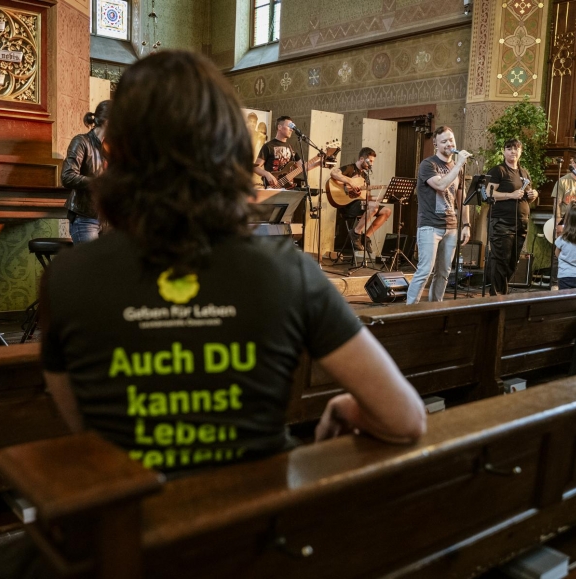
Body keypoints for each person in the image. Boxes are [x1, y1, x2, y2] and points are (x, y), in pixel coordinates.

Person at [39, 51, 426, 477]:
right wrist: (346, 403)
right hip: (258, 527)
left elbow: (84, 425)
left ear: (117, 148)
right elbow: (404, 419)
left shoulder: (68, 278)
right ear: (231, 146)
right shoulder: (289, 271)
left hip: (129, 528)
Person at [405, 126, 471, 304]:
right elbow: (441, 185)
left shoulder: (457, 168)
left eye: (451, 140)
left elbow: (461, 198)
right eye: (444, 141)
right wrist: (458, 164)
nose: (449, 144)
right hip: (430, 226)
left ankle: (435, 309)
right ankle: (408, 311)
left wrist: (466, 224)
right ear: (436, 144)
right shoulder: (428, 164)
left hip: (450, 226)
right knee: (425, 270)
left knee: (443, 272)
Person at [486, 138, 537, 295]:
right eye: (509, 148)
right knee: (501, 258)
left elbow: (527, 197)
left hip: (521, 221)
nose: (513, 151)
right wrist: (510, 195)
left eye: (516, 149)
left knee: (513, 261)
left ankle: (501, 292)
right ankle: (496, 295)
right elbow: (488, 193)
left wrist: (533, 195)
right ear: (504, 151)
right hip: (501, 221)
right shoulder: (498, 171)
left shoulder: (524, 172)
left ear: (520, 152)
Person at [62, 100, 109, 243]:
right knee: (93, 265)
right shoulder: (81, 142)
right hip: (85, 218)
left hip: (107, 219)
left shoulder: (111, 146)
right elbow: (67, 176)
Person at [329, 147, 392, 253]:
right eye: (370, 161)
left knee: (387, 211)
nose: (371, 164)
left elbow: (367, 198)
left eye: (373, 161)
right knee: (374, 207)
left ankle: (365, 237)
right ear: (362, 159)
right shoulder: (350, 168)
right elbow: (334, 173)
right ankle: (356, 233)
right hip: (347, 205)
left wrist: (383, 197)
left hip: (361, 204)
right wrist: (350, 182)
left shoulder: (365, 177)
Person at [253, 115, 302, 188]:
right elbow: (255, 167)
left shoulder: (291, 147)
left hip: (288, 188)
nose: (291, 129)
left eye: (292, 127)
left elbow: (302, 167)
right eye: (289, 126)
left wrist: (318, 161)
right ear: (279, 127)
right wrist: (267, 174)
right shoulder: (268, 146)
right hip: (272, 187)